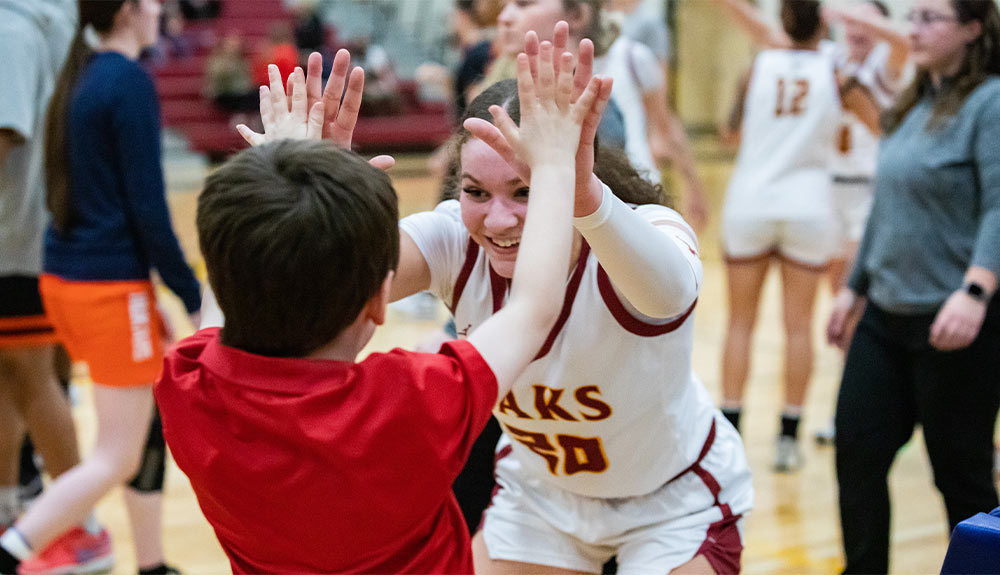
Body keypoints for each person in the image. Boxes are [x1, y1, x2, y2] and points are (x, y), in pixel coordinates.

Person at [258, 20, 754, 572]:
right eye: (475, 191)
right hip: (540, 498)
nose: (496, 218)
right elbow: (326, 289)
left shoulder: (646, 228)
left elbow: (671, 295)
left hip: (672, 498)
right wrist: (307, 192)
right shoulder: (453, 237)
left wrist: (579, 189)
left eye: (526, 191)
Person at [157, 41, 606, 573]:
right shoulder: (411, 402)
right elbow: (536, 305)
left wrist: (288, 175)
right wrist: (554, 162)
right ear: (379, 299)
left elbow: (231, 276)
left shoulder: (185, 384)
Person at [0, 1, 201, 574]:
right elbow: (148, 208)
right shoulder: (124, 80)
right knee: (116, 455)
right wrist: (189, 293)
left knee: (145, 420)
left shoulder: (81, 73)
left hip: (68, 277)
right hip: (108, 287)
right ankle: (15, 549)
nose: (163, 8)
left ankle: (152, 563)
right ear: (129, 9)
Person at [826, 0, 1000, 571]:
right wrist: (854, 287)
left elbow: (999, 207)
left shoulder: (990, 103)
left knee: (961, 475)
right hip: (884, 315)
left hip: (954, 323)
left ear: (973, 29)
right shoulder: (912, 103)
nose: (913, 30)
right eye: (913, 16)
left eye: (931, 18)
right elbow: (886, 205)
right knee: (858, 452)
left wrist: (975, 291)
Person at [710, 0, 878, 471]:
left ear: (782, 20)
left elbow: (729, 133)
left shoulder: (756, 65)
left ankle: (733, 432)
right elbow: (882, 127)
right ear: (823, 22)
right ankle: (788, 438)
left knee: (740, 323)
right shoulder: (838, 70)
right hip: (808, 206)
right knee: (798, 326)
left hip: (750, 202)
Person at [490, 0, 709, 230]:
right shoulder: (501, 82)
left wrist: (693, 185)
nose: (504, 18)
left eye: (523, 4)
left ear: (577, 15)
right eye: (504, 6)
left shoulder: (631, 58)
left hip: (630, 209)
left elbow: (665, 128)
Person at [0, 0, 80, 536]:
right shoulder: (39, 22)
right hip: (25, 235)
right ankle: (11, 509)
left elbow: (4, 135)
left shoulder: (12, 31)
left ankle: (79, 523)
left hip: (15, 238)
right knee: (10, 378)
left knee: (32, 377)